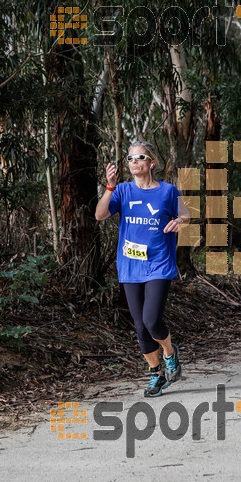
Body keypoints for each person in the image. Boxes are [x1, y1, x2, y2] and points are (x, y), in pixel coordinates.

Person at [95, 141, 191, 397]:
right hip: (130, 266)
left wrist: (179, 221)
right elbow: (100, 215)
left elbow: (186, 215)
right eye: (130, 158)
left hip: (158, 263)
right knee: (140, 326)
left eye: (140, 157)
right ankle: (156, 374)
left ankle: (170, 352)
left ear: (151, 163)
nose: (134, 161)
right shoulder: (123, 190)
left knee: (151, 320)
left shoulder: (168, 191)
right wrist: (109, 187)